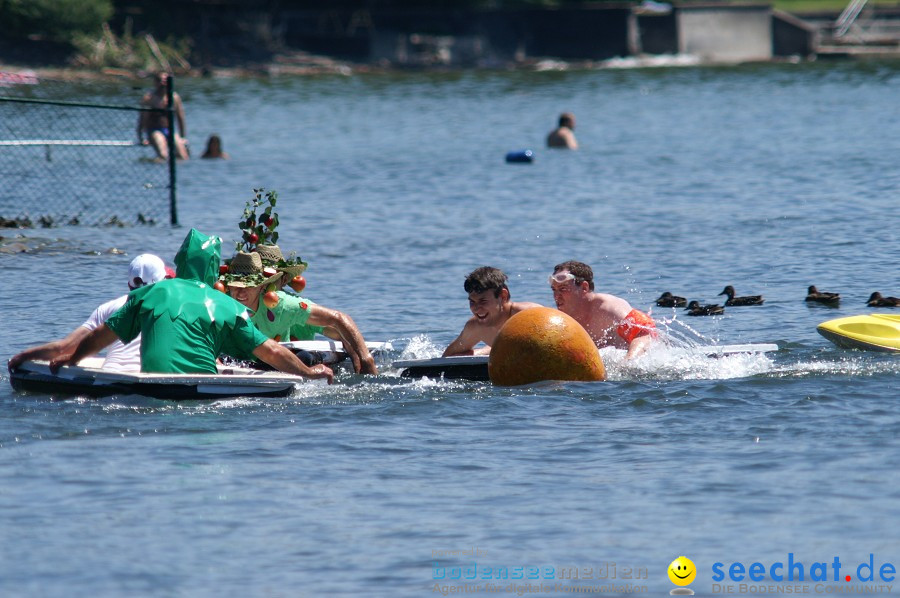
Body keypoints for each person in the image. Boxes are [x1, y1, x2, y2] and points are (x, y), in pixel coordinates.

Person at [50, 229, 333, 383]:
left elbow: (100, 336)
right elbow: (270, 350)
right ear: (213, 273)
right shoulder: (225, 305)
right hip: (202, 392)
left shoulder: (150, 293)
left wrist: (72, 360)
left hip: (151, 386)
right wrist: (308, 373)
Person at [8, 254, 169, 373]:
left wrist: (22, 357)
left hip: (110, 377)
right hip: (153, 378)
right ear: (165, 280)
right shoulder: (174, 307)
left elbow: (62, 349)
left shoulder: (109, 308)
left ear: (129, 284)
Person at [223, 256, 378, 375]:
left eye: (248, 286)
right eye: (235, 286)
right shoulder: (218, 301)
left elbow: (337, 320)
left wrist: (363, 358)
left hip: (279, 363)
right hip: (236, 363)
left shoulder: (283, 305)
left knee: (304, 357)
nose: (240, 292)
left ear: (262, 285)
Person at [548, 261, 656, 360]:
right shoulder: (561, 321)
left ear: (584, 287)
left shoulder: (608, 308)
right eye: (554, 290)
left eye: (563, 289)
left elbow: (644, 333)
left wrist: (629, 362)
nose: (556, 296)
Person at [443, 266, 542, 357]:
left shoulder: (529, 315)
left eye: (483, 301)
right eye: (472, 302)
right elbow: (446, 358)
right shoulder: (476, 327)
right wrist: (477, 353)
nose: (476, 309)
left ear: (503, 296)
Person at [137, 71, 189, 162]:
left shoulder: (174, 97)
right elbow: (142, 119)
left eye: (166, 80)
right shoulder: (149, 98)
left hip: (169, 130)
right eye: (161, 80)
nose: (163, 83)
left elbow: (180, 118)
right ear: (156, 82)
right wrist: (141, 137)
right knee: (163, 155)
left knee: (183, 156)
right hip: (154, 130)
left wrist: (183, 137)